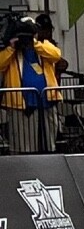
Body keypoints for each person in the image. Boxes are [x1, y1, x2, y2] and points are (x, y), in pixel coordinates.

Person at [0, 16, 63, 154]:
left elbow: (56, 55)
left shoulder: (43, 45)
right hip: (21, 104)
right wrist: (12, 48)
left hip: (46, 102)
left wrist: (34, 44)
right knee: (24, 146)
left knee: (47, 144)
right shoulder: (10, 51)